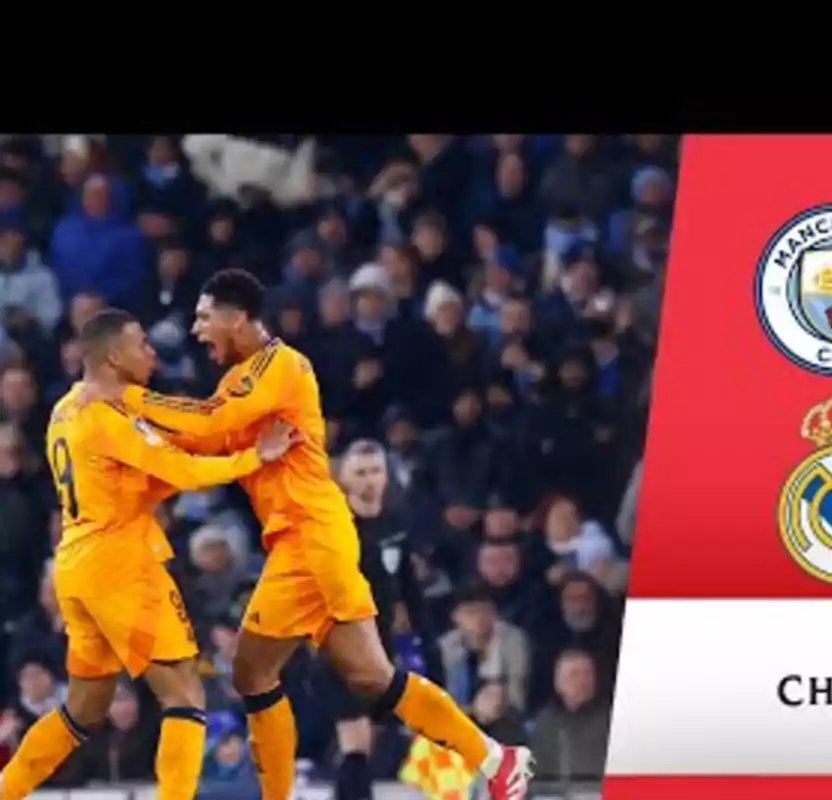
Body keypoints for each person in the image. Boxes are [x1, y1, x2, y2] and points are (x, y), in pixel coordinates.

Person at [87, 269, 534, 800]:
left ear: (238, 318)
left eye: (205, 317)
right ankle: (495, 758)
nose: (197, 328)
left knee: (321, 676)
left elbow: (208, 423)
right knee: (282, 674)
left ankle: (488, 759)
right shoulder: (237, 380)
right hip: (295, 544)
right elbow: (209, 441)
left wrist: (126, 398)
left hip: (313, 539)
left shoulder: (282, 365)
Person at [0, 308, 299, 800]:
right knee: (184, 693)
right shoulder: (107, 416)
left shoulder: (65, 408)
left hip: (76, 562)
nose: (152, 353)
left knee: (84, 706)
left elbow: (135, 479)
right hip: (121, 562)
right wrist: (254, 457)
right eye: (142, 344)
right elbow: (179, 471)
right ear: (114, 356)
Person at [328, 438, 423, 800]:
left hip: (383, 645)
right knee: (355, 740)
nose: (369, 480)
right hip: (339, 644)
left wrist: (424, 639)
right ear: (345, 479)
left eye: (376, 471)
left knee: (367, 745)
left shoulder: (397, 523)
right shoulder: (333, 526)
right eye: (360, 472)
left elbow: (410, 588)